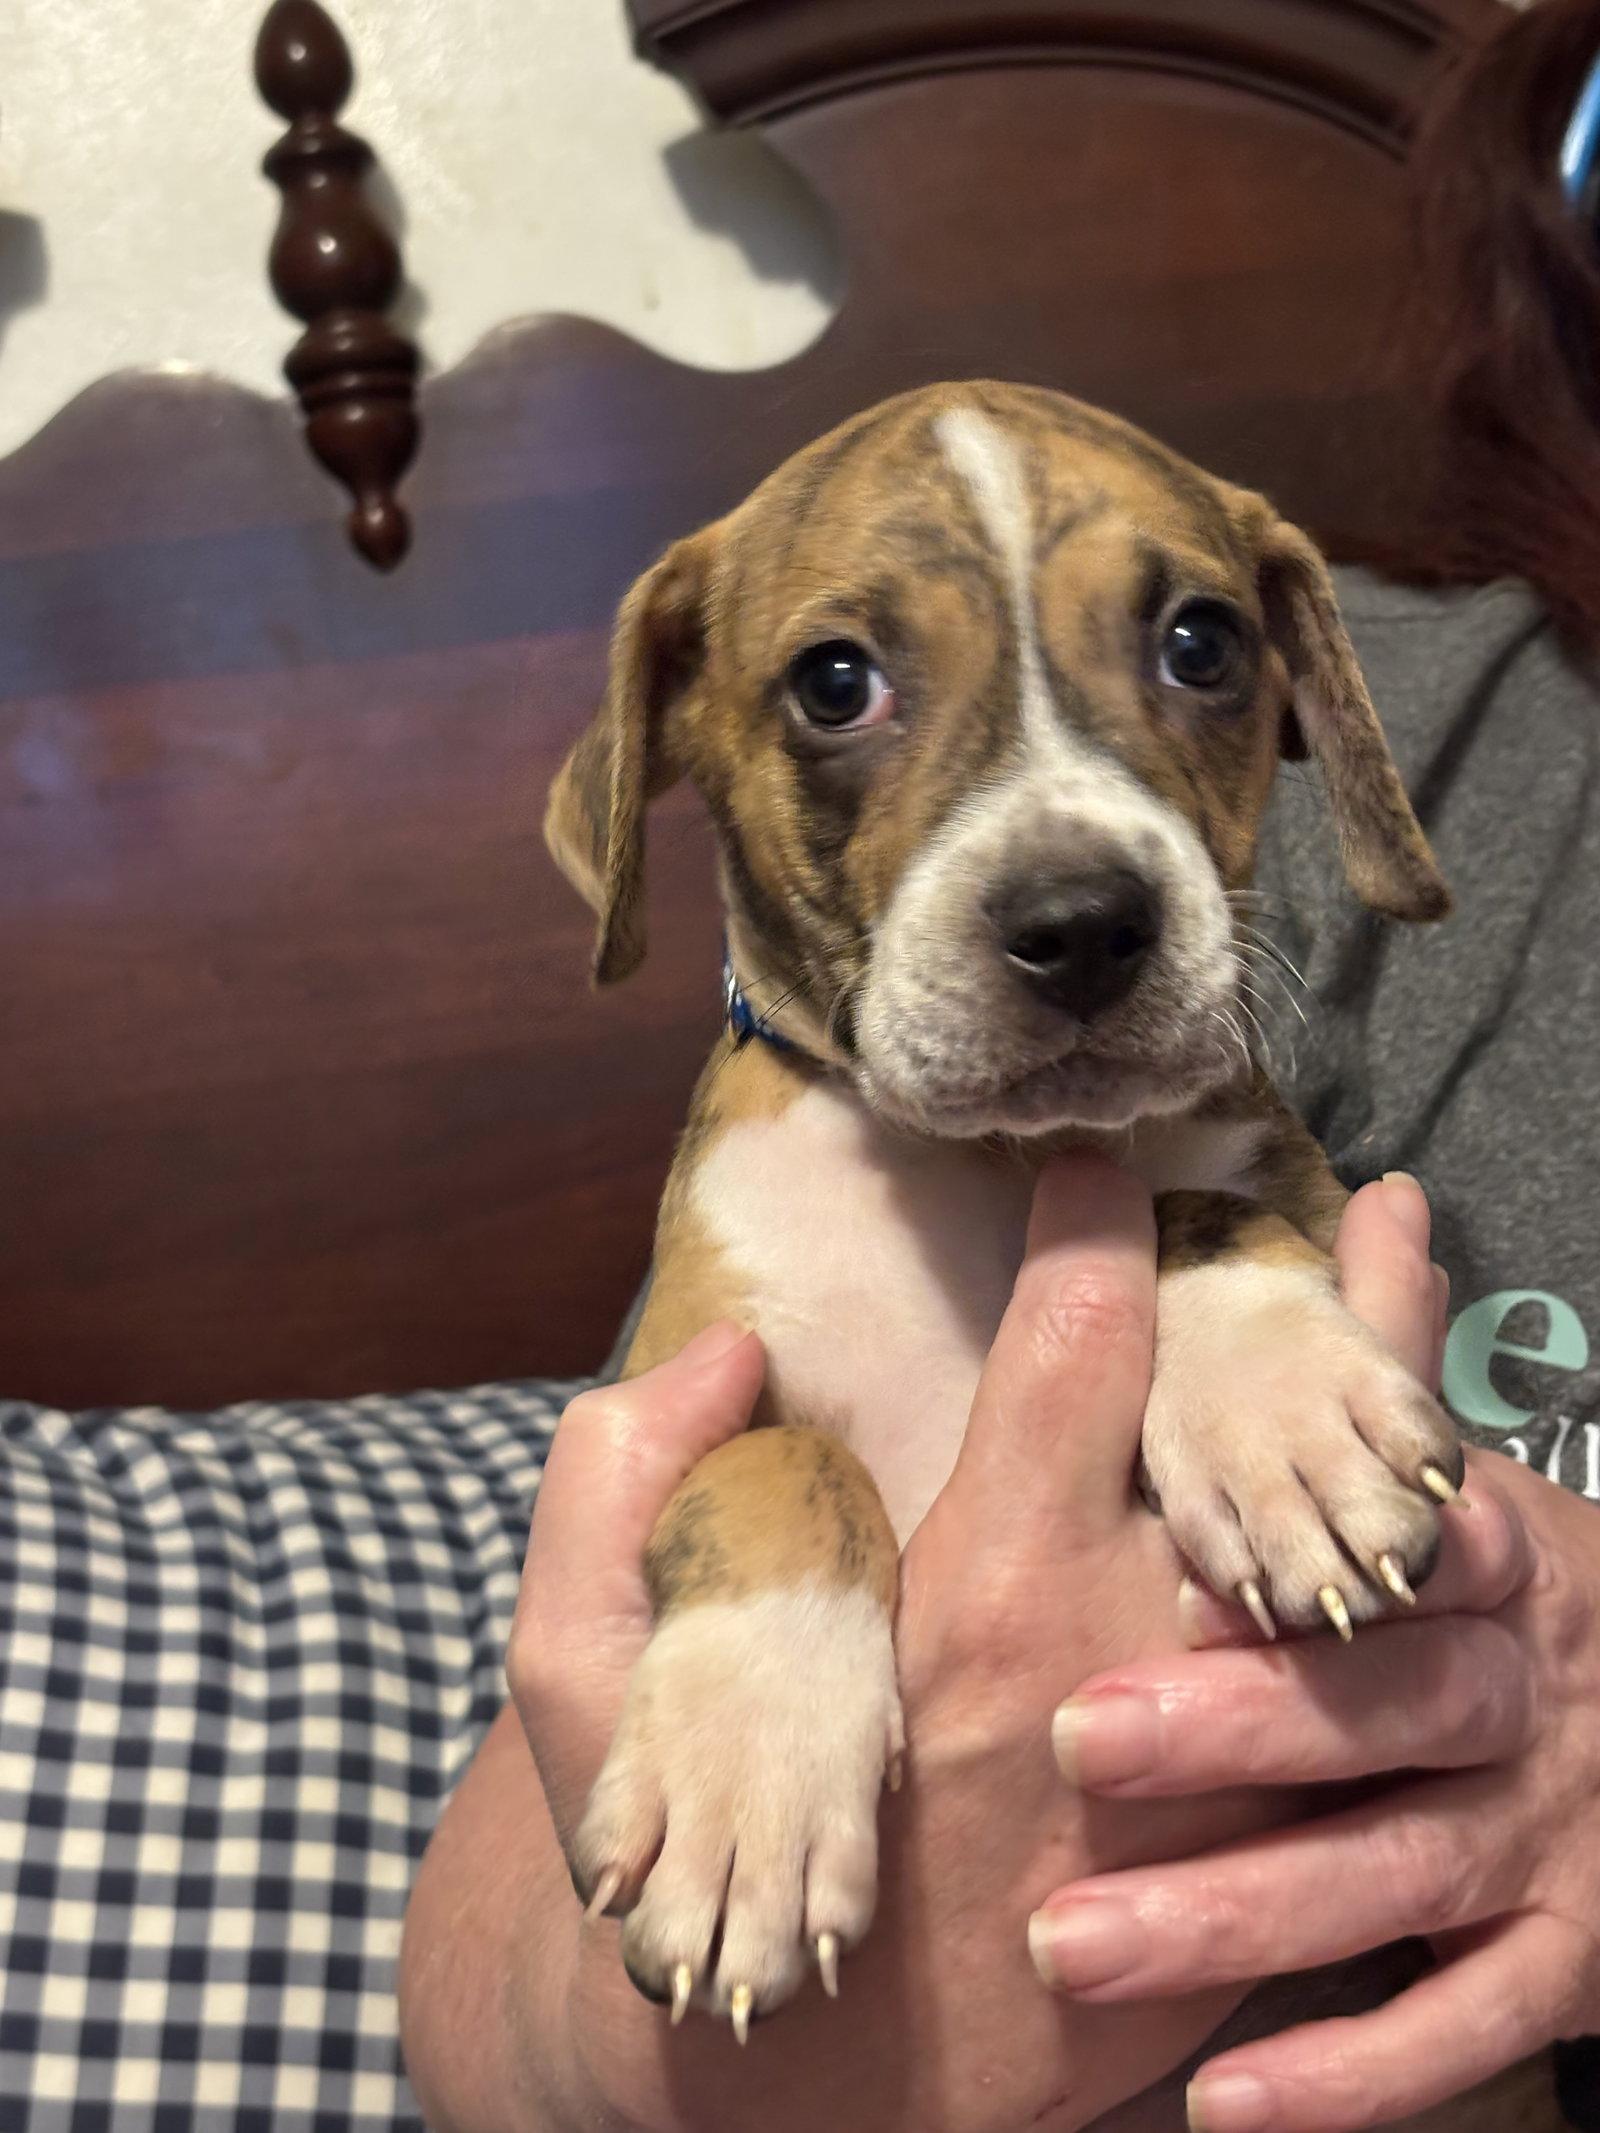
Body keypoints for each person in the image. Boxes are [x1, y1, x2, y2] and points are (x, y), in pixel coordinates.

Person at [399, 3, 1600, 2126]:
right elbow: (563, 1771)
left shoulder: (1255, 1112)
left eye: (1188, 648)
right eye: (844, 681)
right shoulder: (778, 1165)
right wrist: (669, 2046)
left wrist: (1236, 1277)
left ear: (1299, 685)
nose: (1064, 862)